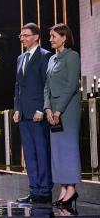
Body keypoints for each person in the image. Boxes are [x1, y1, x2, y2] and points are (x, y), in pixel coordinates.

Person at [13, 23, 53, 204]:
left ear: (36, 37)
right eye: (21, 36)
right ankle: (34, 190)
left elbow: (47, 85)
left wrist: (41, 109)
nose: (23, 38)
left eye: (26, 35)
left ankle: (44, 191)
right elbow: (18, 86)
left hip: (38, 113)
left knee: (41, 153)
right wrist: (17, 108)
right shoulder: (20, 58)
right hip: (23, 114)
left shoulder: (45, 56)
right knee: (29, 154)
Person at [44, 23, 81, 210]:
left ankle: (71, 189)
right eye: (50, 36)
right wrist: (47, 108)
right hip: (53, 111)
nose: (50, 39)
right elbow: (46, 86)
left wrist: (58, 110)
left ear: (64, 38)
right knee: (57, 151)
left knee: (68, 149)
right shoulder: (52, 59)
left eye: (54, 36)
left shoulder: (72, 56)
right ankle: (63, 188)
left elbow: (72, 85)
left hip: (68, 110)